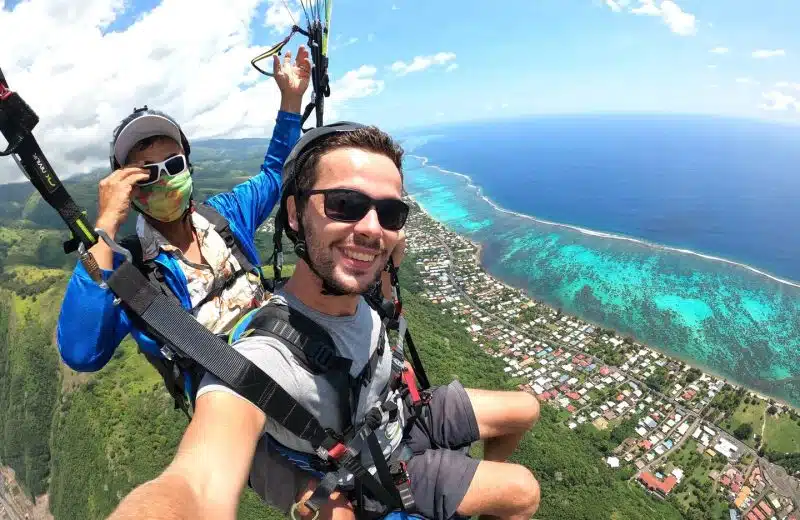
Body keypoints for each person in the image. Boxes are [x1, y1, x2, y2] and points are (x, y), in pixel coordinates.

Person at [106, 123, 542, 520]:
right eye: (344, 204)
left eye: (390, 214)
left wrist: (389, 268)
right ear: (294, 215)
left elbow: (383, 307)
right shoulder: (263, 358)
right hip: (368, 462)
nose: (373, 229)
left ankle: (467, 490)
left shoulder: (358, 277)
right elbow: (196, 484)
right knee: (521, 491)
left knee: (526, 408)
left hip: (398, 411)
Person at [56, 48, 312, 383]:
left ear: (188, 168)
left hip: (289, 353)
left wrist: (291, 100)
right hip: (231, 402)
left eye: (173, 165)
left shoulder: (225, 215)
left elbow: (274, 174)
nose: (163, 178)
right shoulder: (130, 274)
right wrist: (105, 227)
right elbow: (81, 352)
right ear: (126, 188)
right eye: (146, 173)